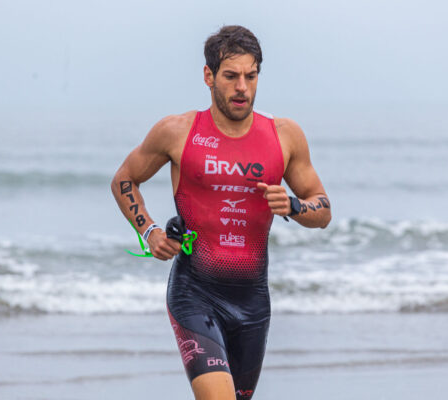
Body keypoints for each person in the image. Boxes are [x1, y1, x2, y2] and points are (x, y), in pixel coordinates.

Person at [111, 25, 331, 400]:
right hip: (195, 294)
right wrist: (149, 232)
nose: (242, 87)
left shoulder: (284, 136)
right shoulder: (177, 132)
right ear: (208, 76)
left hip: (253, 302)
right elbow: (125, 180)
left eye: (251, 76)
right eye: (231, 76)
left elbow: (322, 208)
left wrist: (294, 206)